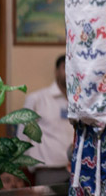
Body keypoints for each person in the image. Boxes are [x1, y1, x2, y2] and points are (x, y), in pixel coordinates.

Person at [18, 55, 73, 186]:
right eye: (65, 67)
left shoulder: (81, 102)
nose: (70, 71)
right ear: (56, 71)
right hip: (47, 172)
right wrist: (29, 165)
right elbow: (23, 136)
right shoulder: (37, 99)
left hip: (76, 172)